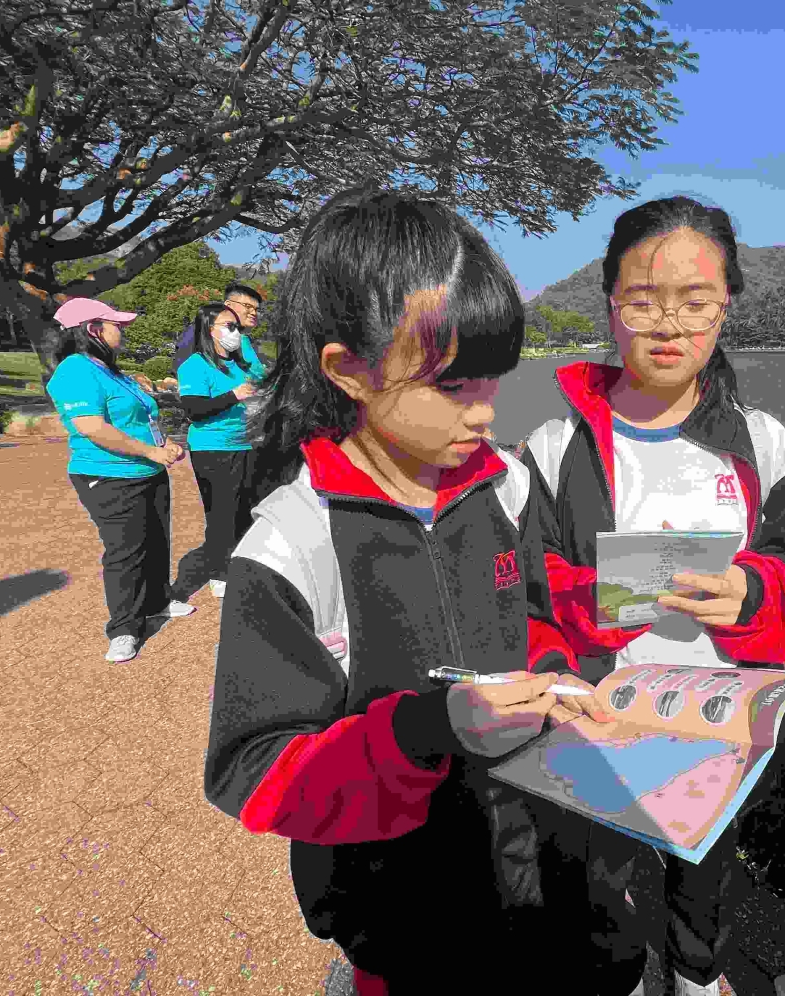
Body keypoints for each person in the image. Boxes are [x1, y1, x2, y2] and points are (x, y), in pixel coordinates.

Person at [203, 190, 641, 996]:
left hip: (542, 868)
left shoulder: (508, 486)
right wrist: (425, 730)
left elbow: (535, 616)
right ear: (349, 370)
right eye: (454, 385)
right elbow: (255, 770)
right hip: (402, 912)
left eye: (493, 382)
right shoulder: (291, 546)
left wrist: (554, 677)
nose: (485, 413)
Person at [521, 196, 785, 996]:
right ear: (609, 303)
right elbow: (522, 589)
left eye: (695, 302)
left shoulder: (763, 444)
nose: (668, 324)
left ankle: (699, 973)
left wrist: (757, 592)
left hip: (720, 724)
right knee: (599, 883)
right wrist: (610, 598)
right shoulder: (554, 449)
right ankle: (621, 972)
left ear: (726, 306)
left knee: (706, 869)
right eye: (642, 300)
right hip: (598, 724)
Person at [44, 298, 197, 663]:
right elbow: (92, 427)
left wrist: (164, 445)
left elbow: (142, 418)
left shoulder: (111, 371)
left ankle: (157, 601)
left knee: (156, 541)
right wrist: (150, 452)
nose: (123, 331)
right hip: (109, 475)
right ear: (93, 329)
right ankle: (124, 627)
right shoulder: (75, 370)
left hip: (147, 471)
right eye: (117, 325)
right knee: (126, 552)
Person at [175, 302, 268, 598]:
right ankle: (219, 572)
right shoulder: (195, 366)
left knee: (245, 510)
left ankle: (242, 564)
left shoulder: (237, 365)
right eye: (229, 326)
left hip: (245, 445)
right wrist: (233, 395)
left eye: (237, 327)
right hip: (213, 449)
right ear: (209, 329)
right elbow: (195, 410)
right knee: (222, 513)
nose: (236, 332)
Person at [172, 282, 263, 374]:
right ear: (228, 305)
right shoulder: (200, 331)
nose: (254, 313)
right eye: (247, 306)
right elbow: (183, 372)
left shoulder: (243, 338)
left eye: (256, 309)